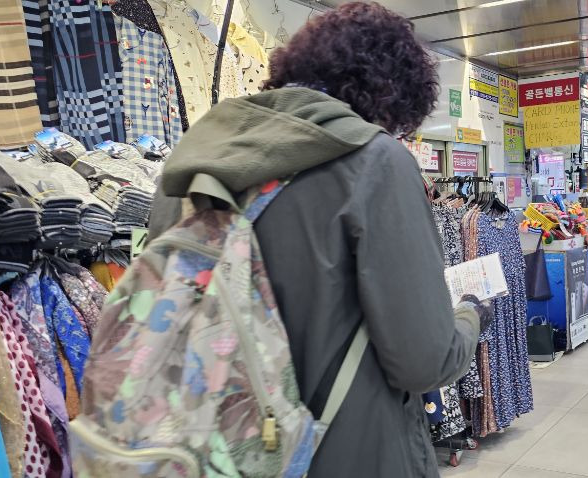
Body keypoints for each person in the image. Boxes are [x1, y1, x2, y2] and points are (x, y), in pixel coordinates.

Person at [147, 3, 484, 476]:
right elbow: (424, 361)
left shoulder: (191, 165)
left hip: (204, 452)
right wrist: (470, 316)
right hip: (347, 453)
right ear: (391, 97)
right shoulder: (375, 164)